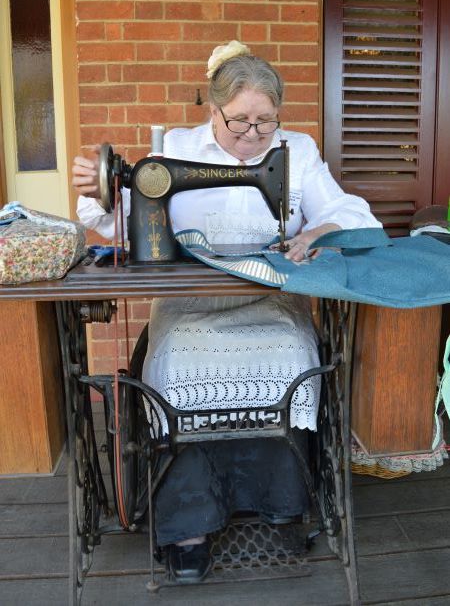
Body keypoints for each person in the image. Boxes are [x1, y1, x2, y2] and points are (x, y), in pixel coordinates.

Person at [73, 40, 381, 584]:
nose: (253, 137)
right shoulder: (176, 150)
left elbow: (349, 212)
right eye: (239, 122)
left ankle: (283, 504)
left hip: (272, 300)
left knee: (291, 355)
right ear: (212, 110)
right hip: (188, 307)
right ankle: (187, 527)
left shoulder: (297, 151)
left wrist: (315, 230)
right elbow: (114, 223)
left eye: (266, 123)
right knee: (180, 365)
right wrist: (98, 192)